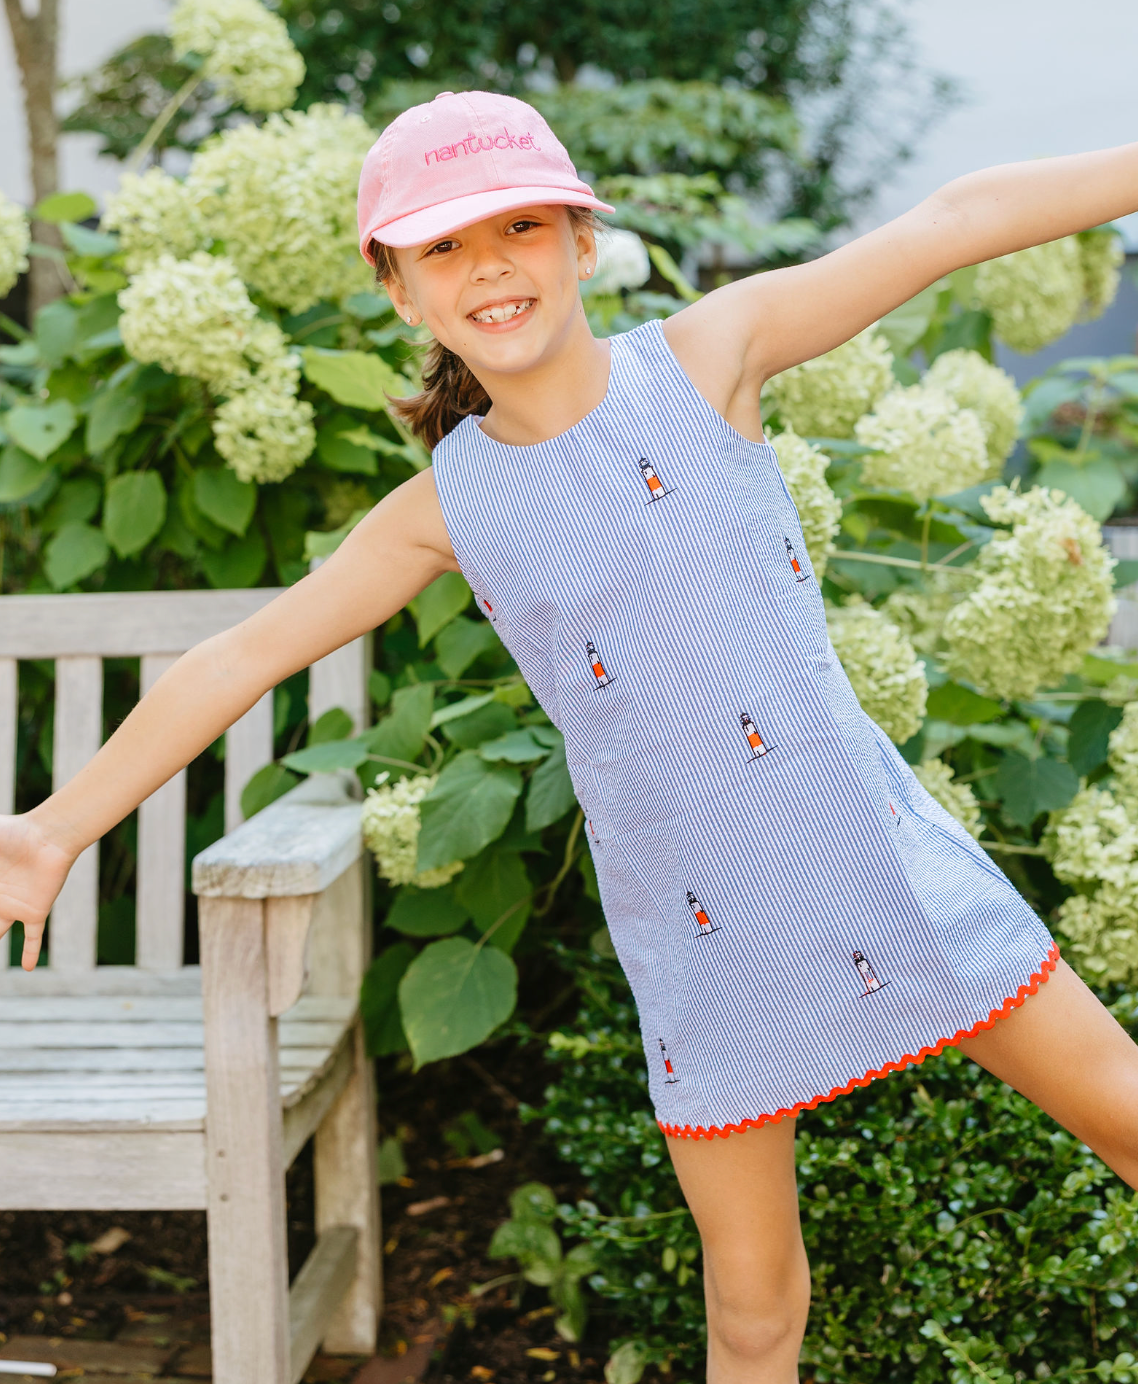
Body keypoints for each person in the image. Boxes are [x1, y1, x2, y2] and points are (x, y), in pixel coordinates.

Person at [3, 89, 1138, 1382]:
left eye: (521, 225)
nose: (489, 263)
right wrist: (52, 827)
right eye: (443, 245)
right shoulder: (446, 508)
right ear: (398, 290)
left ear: (577, 241)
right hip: (697, 932)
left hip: (875, 858)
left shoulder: (714, 352)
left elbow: (951, 218)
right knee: (753, 1309)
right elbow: (238, 656)